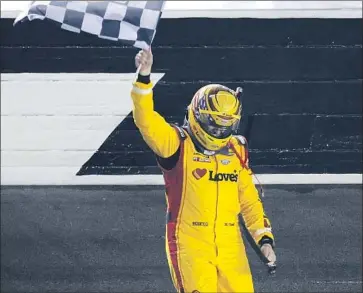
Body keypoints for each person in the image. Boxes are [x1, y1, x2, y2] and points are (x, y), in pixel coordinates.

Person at [131, 49, 277, 293]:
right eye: (215, 125)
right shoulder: (175, 143)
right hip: (190, 244)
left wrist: (264, 239)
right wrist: (144, 77)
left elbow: (248, 199)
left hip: (231, 246)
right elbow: (145, 119)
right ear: (198, 115)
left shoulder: (237, 148)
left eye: (225, 126)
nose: (220, 132)